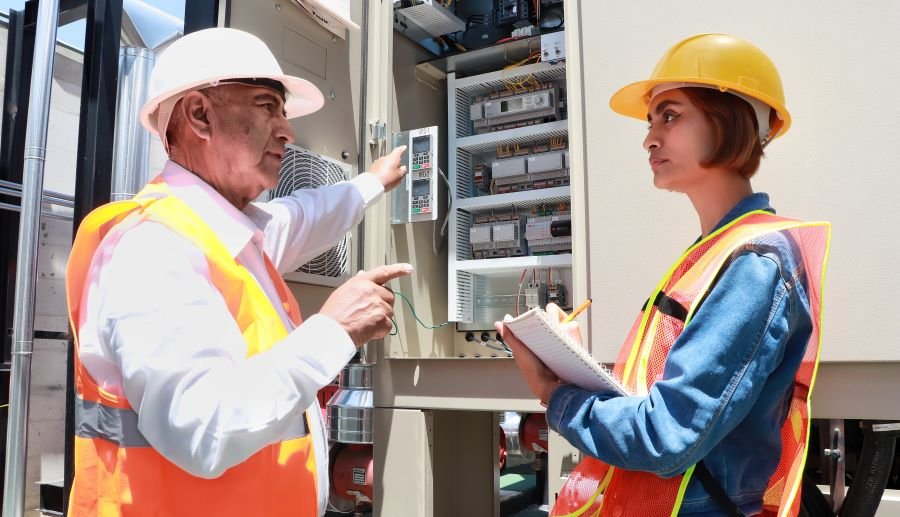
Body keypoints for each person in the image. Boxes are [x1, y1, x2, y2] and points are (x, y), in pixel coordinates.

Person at [65, 28, 411, 516]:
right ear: (200, 115)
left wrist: (373, 182)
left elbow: (307, 215)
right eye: (268, 106)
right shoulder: (153, 249)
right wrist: (335, 330)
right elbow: (205, 428)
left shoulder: (229, 235)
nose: (288, 131)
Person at [496, 34, 831, 516]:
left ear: (731, 122)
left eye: (670, 116)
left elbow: (666, 436)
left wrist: (554, 393)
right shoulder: (718, 251)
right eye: (651, 121)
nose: (649, 139)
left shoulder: (754, 263)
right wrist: (569, 362)